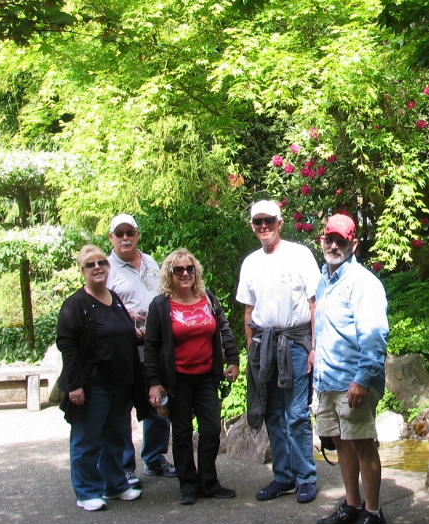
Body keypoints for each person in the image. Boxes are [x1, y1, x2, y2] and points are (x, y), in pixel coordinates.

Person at [236, 200, 322, 504]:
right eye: (257, 222)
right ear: (252, 226)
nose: (263, 227)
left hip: (296, 344)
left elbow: (315, 304)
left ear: (280, 222)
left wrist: (315, 347)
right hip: (263, 346)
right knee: (271, 411)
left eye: (268, 220)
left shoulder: (300, 255)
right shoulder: (251, 263)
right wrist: (250, 349)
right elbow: (249, 309)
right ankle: (283, 477)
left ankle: (305, 476)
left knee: (296, 413)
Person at [311, 214, 390, 524]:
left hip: (352, 380)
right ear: (321, 241)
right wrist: (315, 355)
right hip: (328, 379)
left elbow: (374, 336)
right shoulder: (324, 279)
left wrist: (361, 380)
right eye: (329, 239)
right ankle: (353, 505)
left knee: (362, 443)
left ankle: (374, 514)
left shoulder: (363, 283)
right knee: (341, 441)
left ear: (353, 244)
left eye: (340, 241)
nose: (333, 245)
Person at [143, 250, 240, 506]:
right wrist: (154, 383)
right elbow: (151, 347)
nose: (185, 273)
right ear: (169, 275)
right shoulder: (160, 306)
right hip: (178, 380)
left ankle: (209, 481)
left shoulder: (207, 299)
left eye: (189, 269)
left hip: (206, 376)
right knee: (183, 433)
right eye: (179, 270)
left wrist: (233, 360)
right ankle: (188, 484)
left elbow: (224, 330)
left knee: (210, 430)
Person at [56, 245, 144, 511]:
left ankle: (115, 485)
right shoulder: (75, 305)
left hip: (120, 382)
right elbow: (67, 346)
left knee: (117, 437)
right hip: (93, 384)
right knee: (87, 439)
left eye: (101, 263)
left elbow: (122, 330)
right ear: (82, 271)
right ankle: (86, 491)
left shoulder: (114, 297)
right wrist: (74, 385)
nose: (97, 268)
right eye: (90, 264)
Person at [105, 213, 176, 483]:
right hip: (124, 348)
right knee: (123, 407)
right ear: (111, 238)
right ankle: (124, 464)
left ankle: (155, 458)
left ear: (137, 235)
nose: (125, 238)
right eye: (119, 233)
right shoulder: (106, 267)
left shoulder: (150, 261)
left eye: (130, 232)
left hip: (153, 344)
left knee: (158, 400)